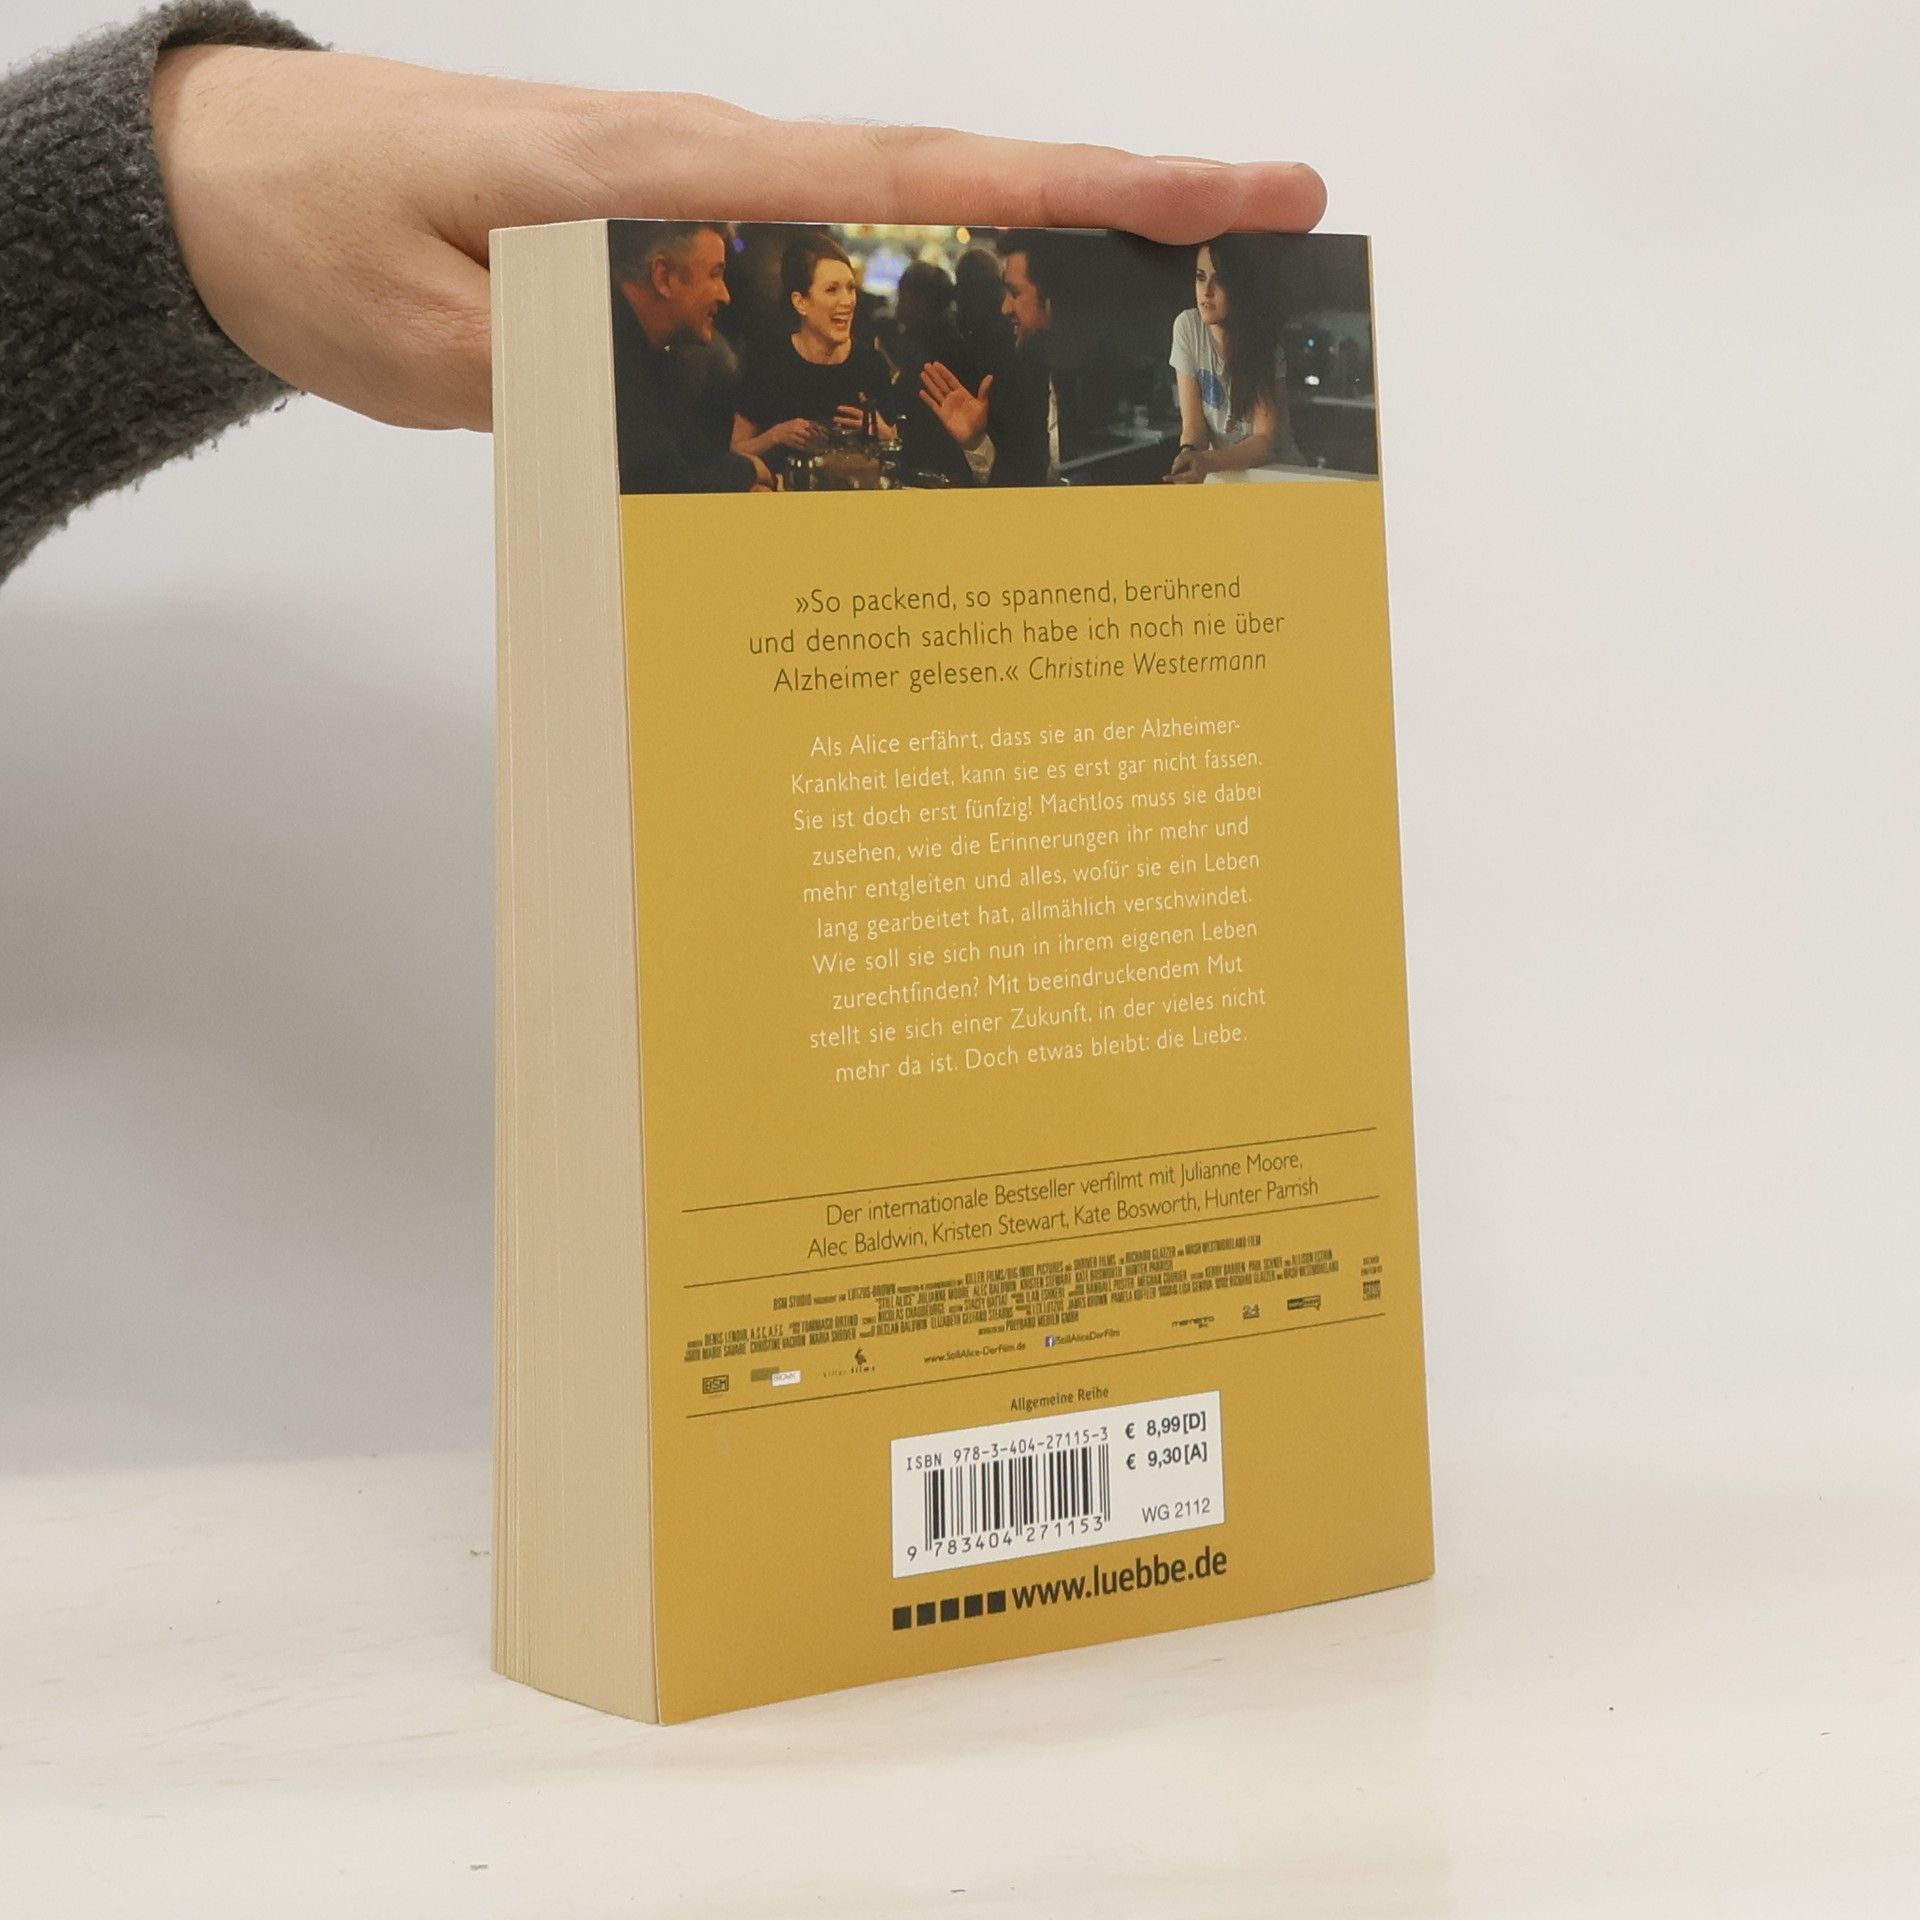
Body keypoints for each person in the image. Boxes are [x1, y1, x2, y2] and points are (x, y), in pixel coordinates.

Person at [0, 1, 1327, 580]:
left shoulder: (866, 373)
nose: (839, 313)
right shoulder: (728, 367)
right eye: (823, 297)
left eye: (848, 297)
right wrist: (135, 198)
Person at [611, 222, 768, 494]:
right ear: (664, 277)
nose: (726, 295)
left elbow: (693, 456)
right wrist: (750, 471)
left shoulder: (655, 354)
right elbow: (664, 482)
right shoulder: (608, 357)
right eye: (715, 274)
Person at [731, 231, 899, 477]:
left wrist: (884, 433)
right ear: (801, 302)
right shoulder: (769, 362)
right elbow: (735, 452)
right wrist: (776, 436)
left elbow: (896, 451)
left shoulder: (871, 364)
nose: (847, 301)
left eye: (850, 288)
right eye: (832, 290)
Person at [917, 233, 1061, 487]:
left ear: (1053, 300)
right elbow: (1022, 489)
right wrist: (978, 445)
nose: (1005, 307)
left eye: (1015, 293)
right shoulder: (1026, 377)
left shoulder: (1106, 385)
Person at [1164, 236, 1305, 482]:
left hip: (1278, 473)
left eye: (1219, 280)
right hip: (1224, 473)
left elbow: (1263, 442)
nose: (1206, 291)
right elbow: (1193, 428)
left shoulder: (1264, 340)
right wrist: (1189, 455)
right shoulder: (1187, 327)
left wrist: (1206, 462)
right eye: (1200, 277)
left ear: (1240, 287)